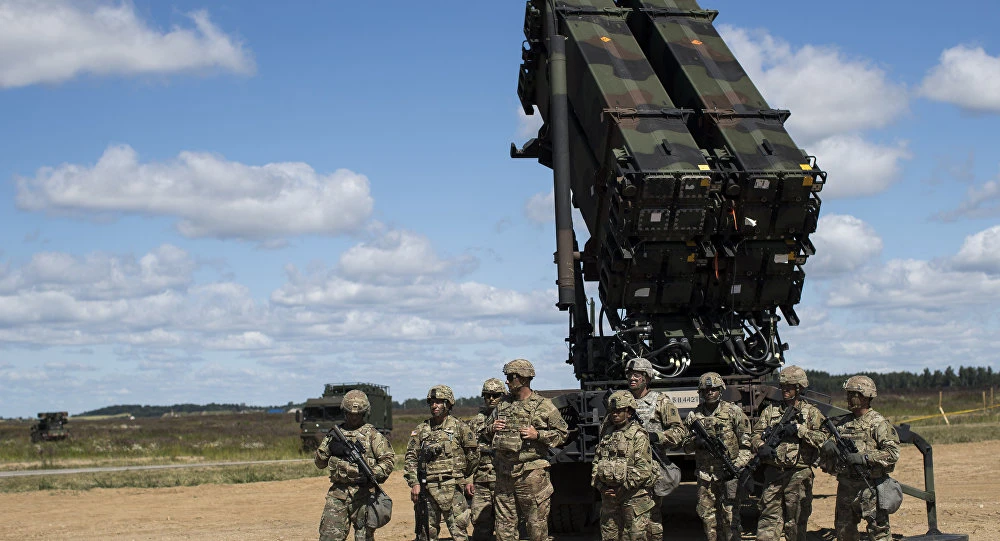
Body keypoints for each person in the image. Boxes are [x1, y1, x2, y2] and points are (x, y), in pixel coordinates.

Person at [486, 359, 569, 541]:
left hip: (531, 475)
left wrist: (538, 435)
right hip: (504, 474)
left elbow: (562, 434)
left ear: (522, 379)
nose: (506, 382)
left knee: (536, 527)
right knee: (504, 528)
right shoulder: (502, 405)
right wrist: (491, 428)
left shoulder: (544, 406)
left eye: (510, 377)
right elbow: (484, 431)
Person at [749, 365, 827, 541]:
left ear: (799, 388)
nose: (785, 390)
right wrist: (761, 445)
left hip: (798, 475)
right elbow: (754, 435)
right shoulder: (771, 411)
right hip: (773, 475)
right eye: (783, 386)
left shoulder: (811, 413)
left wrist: (800, 430)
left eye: (789, 387)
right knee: (767, 523)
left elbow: (824, 439)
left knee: (796, 524)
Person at [822, 375, 900, 541]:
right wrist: (828, 446)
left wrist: (863, 457)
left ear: (865, 396)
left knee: (879, 534)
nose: (849, 398)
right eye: (848, 394)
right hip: (846, 487)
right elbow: (828, 445)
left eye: (853, 394)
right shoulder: (843, 424)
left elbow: (892, 453)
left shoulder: (878, 423)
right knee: (844, 533)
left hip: (870, 487)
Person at [315, 389, 396, 541]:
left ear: (364, 413)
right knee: (328, 537)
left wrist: (372, 473)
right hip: (338, 495)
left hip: (364, 495)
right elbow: (319, 463)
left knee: (364, 538)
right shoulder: (335, 434)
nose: (353, 417)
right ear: (344, 412)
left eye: (358, 414)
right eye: (350, 413)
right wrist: (330, 448)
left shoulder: (373, 435)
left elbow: (388, 461)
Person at [404, 385, 480, 541]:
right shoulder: (421, 430)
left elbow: (473, 456)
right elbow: (410, 458)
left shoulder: (460, 428)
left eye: (439, 402)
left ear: (448, 403)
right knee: (426, 533)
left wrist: (462, 477)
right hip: (427, 490)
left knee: (459, 532)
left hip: (453, 488)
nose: (434, 406)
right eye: (432, 402)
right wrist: (414, 483)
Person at [623, 357, 688, 541]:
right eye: (629, 374)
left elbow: (679, 432)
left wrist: (657, 437)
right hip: (626, 471)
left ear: (647, 377)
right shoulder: (622, 401)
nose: (632, 378)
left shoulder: (660, 401)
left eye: (637, 375)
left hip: (650, 469)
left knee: (650, 521)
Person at [682, 372, 750, 541]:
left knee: (731, 519)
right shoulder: (694, 417)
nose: (710, 392)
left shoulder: (734, 412)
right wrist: (696, 442)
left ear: (721, 390)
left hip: (729, 475)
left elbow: (747, 444)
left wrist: (736, 466)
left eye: (713, 389)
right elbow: (685, 447)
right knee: (708, 520)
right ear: (701, 392)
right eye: (706, 390)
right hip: (705, 477)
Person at [592, 390, 658, 541]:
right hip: (609, 499)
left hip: (634, 499)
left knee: (635, 537)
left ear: (629, 412)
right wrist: (602, 488)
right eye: (612, 411)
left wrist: (622, 488)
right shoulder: (607, 435)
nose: (615, 414)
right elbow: (596, 463)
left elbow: (643, 469)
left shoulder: (638, 435)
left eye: (619, 411)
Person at [466, 378, 505, 541]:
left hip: (505, 479)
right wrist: (468, 478)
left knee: (506, 525)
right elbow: (468, 452)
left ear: (503, 396)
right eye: (487, 395)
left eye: (495, 395)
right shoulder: (475, 422)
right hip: (481, 479)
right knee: (480, 523)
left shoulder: (509, 417)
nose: (491, 399)